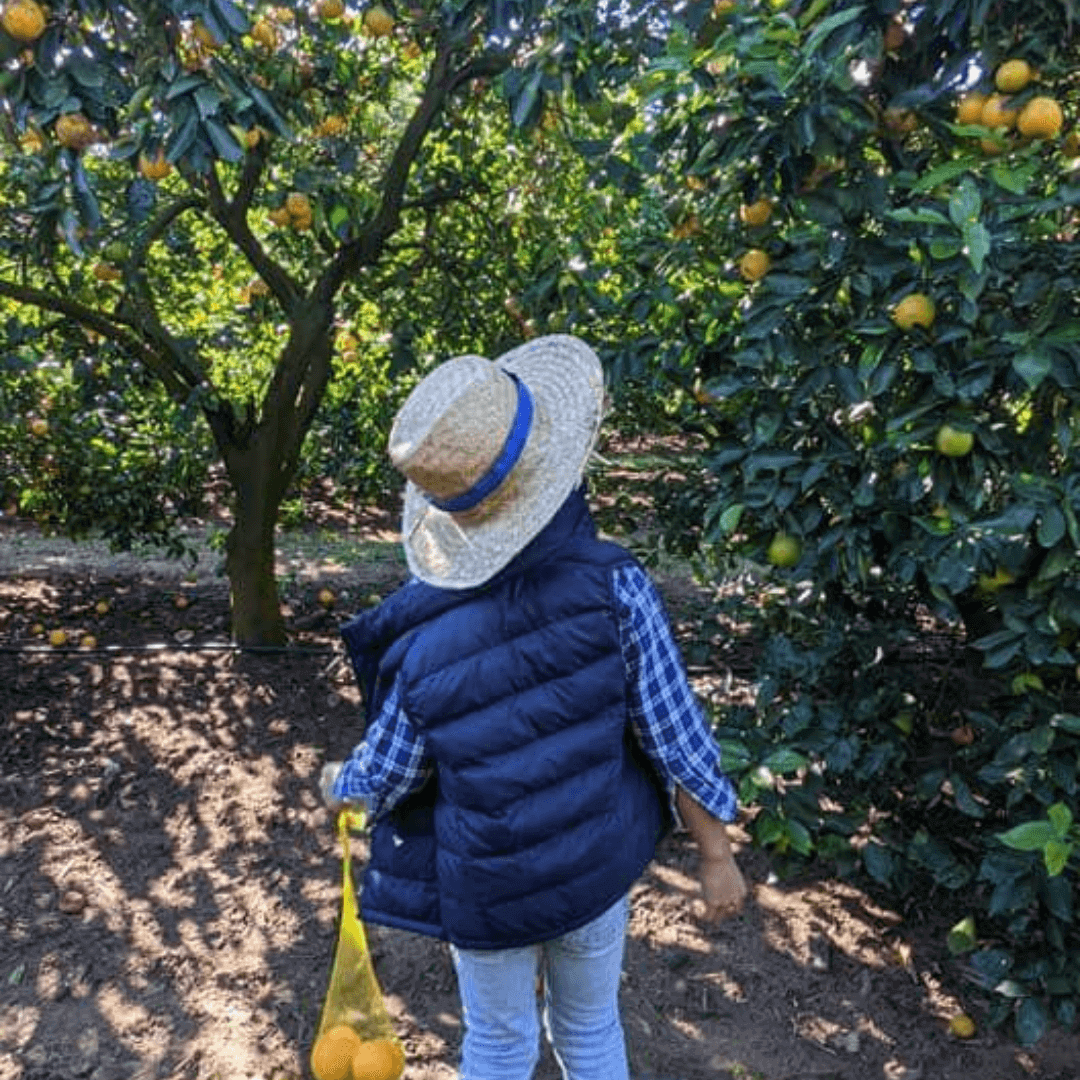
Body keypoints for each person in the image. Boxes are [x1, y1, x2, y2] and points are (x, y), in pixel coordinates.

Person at [319, 334, 748, 1080]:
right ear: (556, 466)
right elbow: (673, 734)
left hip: (487, 892)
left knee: (497, 1043)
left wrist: (339, 785)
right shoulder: (615, 587)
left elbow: (387, 772)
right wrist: (716, 856)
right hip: (592, 869)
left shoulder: (422, 639)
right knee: (590, 1028)